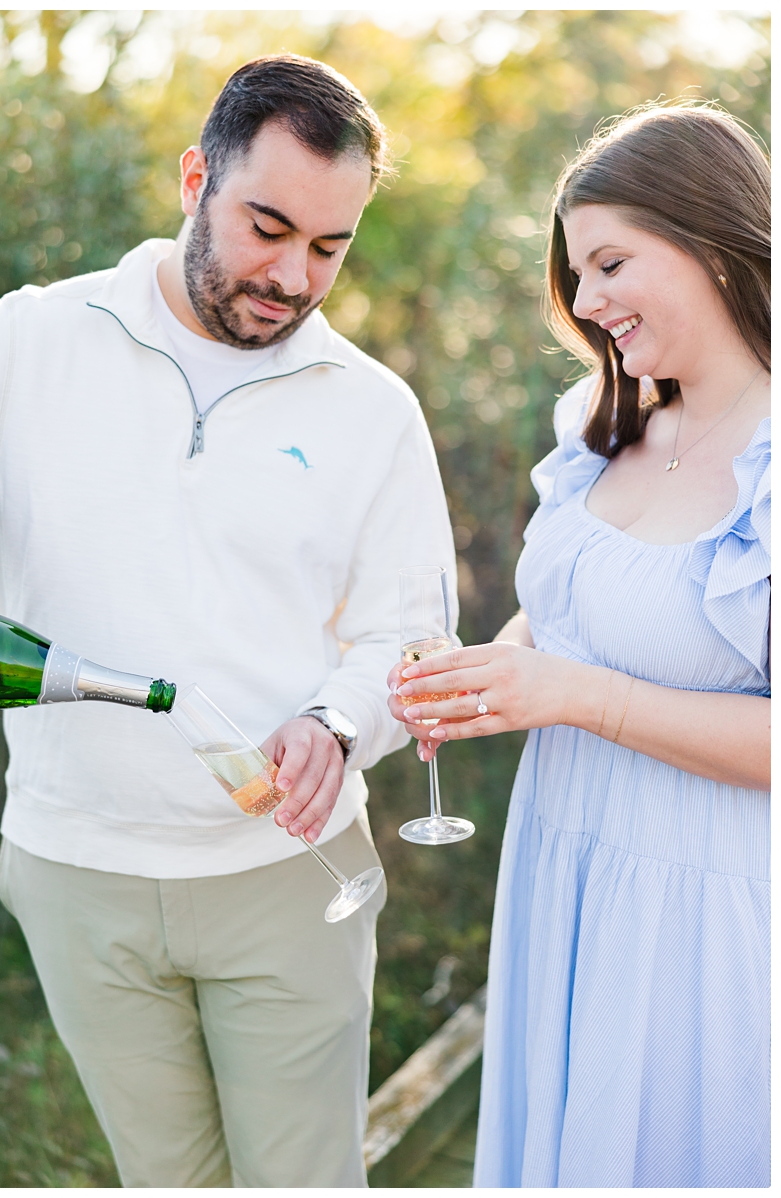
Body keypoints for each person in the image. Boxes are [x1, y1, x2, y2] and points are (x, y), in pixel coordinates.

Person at [0, 55, 456, 1186]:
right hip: (72, 868)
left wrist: (335, 724)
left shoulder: (371, 411)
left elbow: (409, 634)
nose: (292, 276)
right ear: (194, 175)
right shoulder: (17, 347)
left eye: (328, 249)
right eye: (267, 226)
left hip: (292, 877)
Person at [387, 103, 770, 1187]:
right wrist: (475, 677)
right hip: (562, 864)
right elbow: (559, 623)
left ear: (709, 242)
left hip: (702, 911)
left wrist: (573, 695)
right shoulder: (598, 430)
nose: (585, 302)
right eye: (576, 272)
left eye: (610, 263)